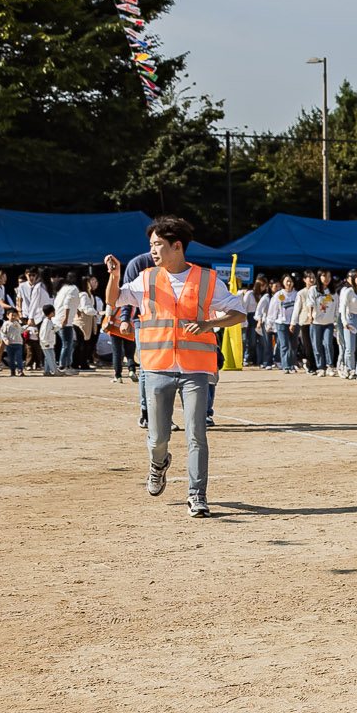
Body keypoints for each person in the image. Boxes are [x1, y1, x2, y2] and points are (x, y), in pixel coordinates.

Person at [104, 218, 247, 517]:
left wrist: (210, 322)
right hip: (156, 367)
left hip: (195, 368)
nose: (153, 250)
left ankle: (197, 495)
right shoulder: (146, 278)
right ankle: (159, 464)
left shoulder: (207, 279)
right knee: (158, 438)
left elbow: (239, 312)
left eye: (158, 244)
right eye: (151, 245)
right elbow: (114, 299)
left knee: (197, 433)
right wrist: (114, 276)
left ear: (177, 246)